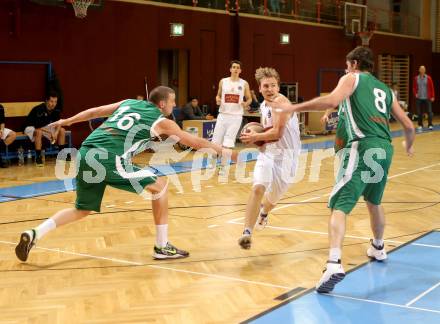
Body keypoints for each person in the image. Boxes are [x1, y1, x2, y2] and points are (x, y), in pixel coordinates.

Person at [15, 86, 236, 262]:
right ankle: (162, 246)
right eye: (173, 100)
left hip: (85, 152)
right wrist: (223, 151)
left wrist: (66, 121)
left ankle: (35, 233)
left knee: (82, 209)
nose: (175, 104)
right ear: (162, 103)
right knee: (161, 185)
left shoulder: (129, 103)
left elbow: (94, 112)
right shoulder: (163, 122)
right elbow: (194, 141)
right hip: (108, 157)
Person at [273, 46, 415, 293]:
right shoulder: (386, 90)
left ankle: (333, 263)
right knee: (374, 200)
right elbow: (409, 126)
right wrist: (408, 145)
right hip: (385, 148)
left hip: (362, 147)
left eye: (347, 64)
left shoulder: (352, 78)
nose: (346, 68)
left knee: (339, 204)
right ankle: (379, 247)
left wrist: (294, 108)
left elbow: (331, 99)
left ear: (355, 63)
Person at [238, 67, 301, 249]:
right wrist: (259, 141)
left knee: (272, 199)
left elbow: (277, 133)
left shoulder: (281, 102)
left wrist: (255, 138)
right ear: (259, 88)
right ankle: (247, 232)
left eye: (273, 85)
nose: (270, 89)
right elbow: (267, 133)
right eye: (266, 86)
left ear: (278, 87)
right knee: (258, 188)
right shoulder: (264, 105)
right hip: (268, 153)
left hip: (287, 157)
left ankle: (264, 213)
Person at [212, 60, 252, 175]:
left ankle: (223, 167)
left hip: (236, 117)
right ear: (230, 69)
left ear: (240, 70)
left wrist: (246, 103)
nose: (235, 69)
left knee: (228, 143)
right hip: (223, 115)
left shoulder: (244, 83)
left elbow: (249, 98)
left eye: (237, 67)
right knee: (216, 142)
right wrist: (217, 99)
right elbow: (218, 95)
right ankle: (212, 162)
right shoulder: (223, 81)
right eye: (233, 67)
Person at [23, 92, 68, 166]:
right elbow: (38, 126)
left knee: (62, 130)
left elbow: (59, 123)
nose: (53, 104)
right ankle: (38, 157)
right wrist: (51, 133)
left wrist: (56, 133)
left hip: (43, 127)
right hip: (30, 127)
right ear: (47, 101)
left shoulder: (56, 110)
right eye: (51, 101)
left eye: (55, 101)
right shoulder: (39, 109)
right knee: (39, 132)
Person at [413, 65, 435, 131]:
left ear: (425, 70)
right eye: (421, 69)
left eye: (423, 69)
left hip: (427, 98)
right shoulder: (416, 78)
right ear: (419, 70)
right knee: (419, 112)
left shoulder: (428, 78)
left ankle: (430, 125)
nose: (422, 70)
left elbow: (432, 87)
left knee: (429, 112)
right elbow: (414, 87)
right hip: (419, 98)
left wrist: (433, 96)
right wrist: (415, 94)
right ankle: (420, 125)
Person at [0, 103, 17, 168]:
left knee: (13, 134)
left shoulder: (0, 107)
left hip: (0, 128)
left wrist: (1, 130)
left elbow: (2, 122)